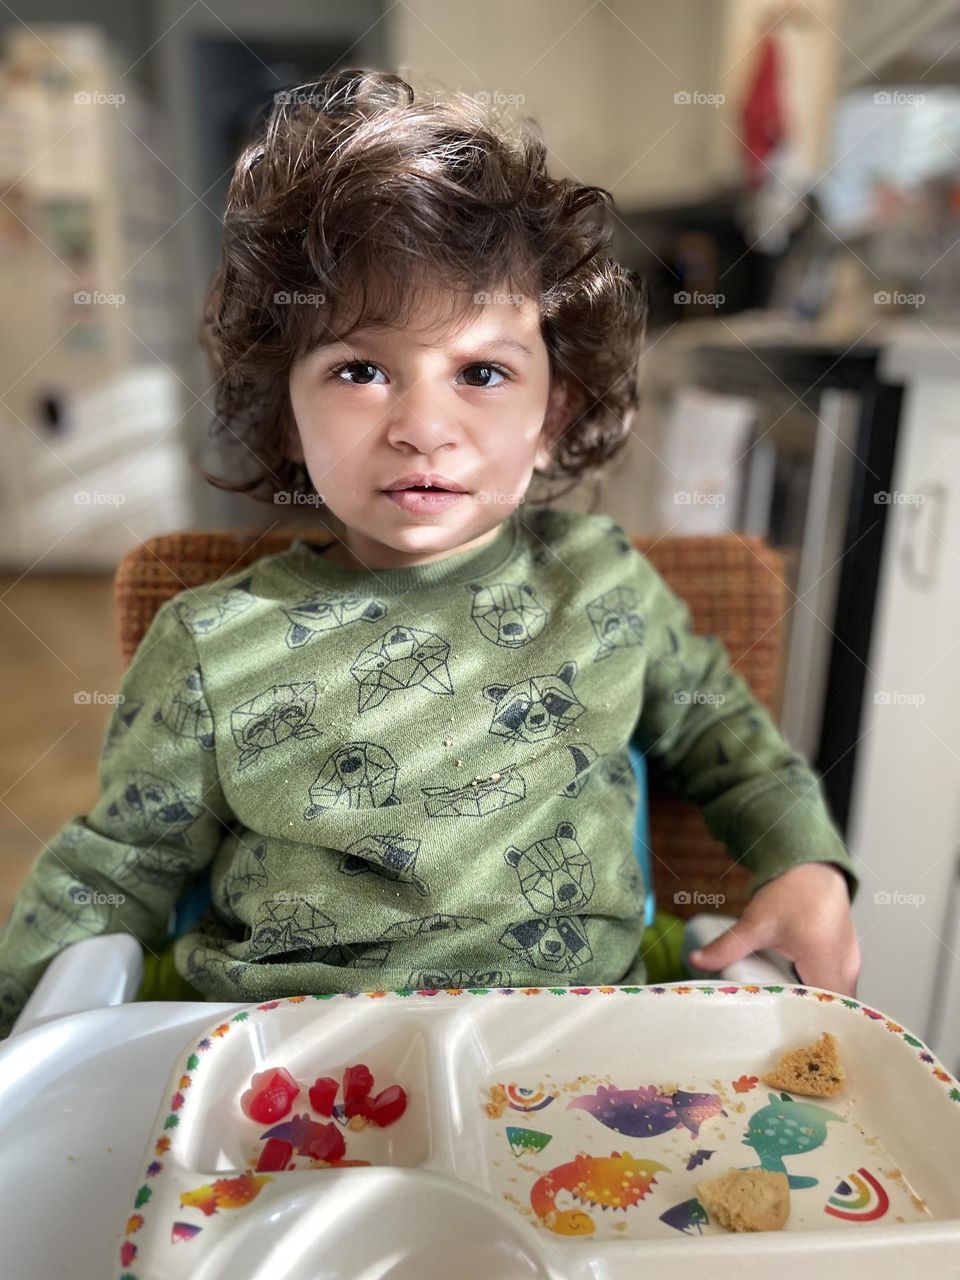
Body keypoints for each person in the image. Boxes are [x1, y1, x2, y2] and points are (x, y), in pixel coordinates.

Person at [0, 69, 860, 1040]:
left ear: (553, 416)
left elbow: (731, 745)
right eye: (361, 368)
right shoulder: (211, 640)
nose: (422, 427)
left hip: (575, 1049)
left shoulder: (603, 583)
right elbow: (116, 869)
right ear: (286, 414)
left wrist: (803, 863)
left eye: (481, 371)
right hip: (287, 1060)